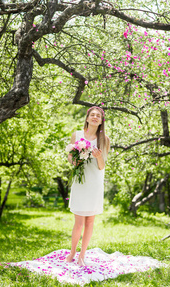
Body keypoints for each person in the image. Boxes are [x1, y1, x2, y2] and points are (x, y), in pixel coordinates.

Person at [65, 106, 110, 266]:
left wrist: (98, 157)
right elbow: (70, 156)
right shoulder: (76, 135)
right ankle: (72, 252)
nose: (95, 117)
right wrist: (74, 161)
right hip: (80, 181)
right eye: (93, 115)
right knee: (78, 220)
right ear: (87, 117)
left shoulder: (104, 139)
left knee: (90, 220)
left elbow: (102, 166)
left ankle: (82, 255)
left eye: (98, 116)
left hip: (95, 182)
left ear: (101, 121)